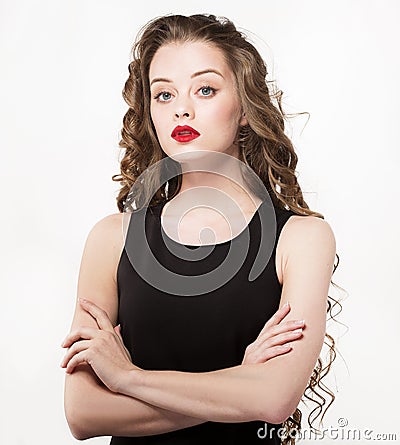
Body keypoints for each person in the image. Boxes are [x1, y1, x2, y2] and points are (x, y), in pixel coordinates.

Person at [60, 14, 340, 445]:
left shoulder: (300, 239)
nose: (181, 108)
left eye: (205, 89)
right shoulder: (111, 239)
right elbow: (83, 413)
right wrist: (240, 383)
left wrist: (127, 378)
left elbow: (274, 400)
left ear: (246, 108)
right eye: (164, 94)